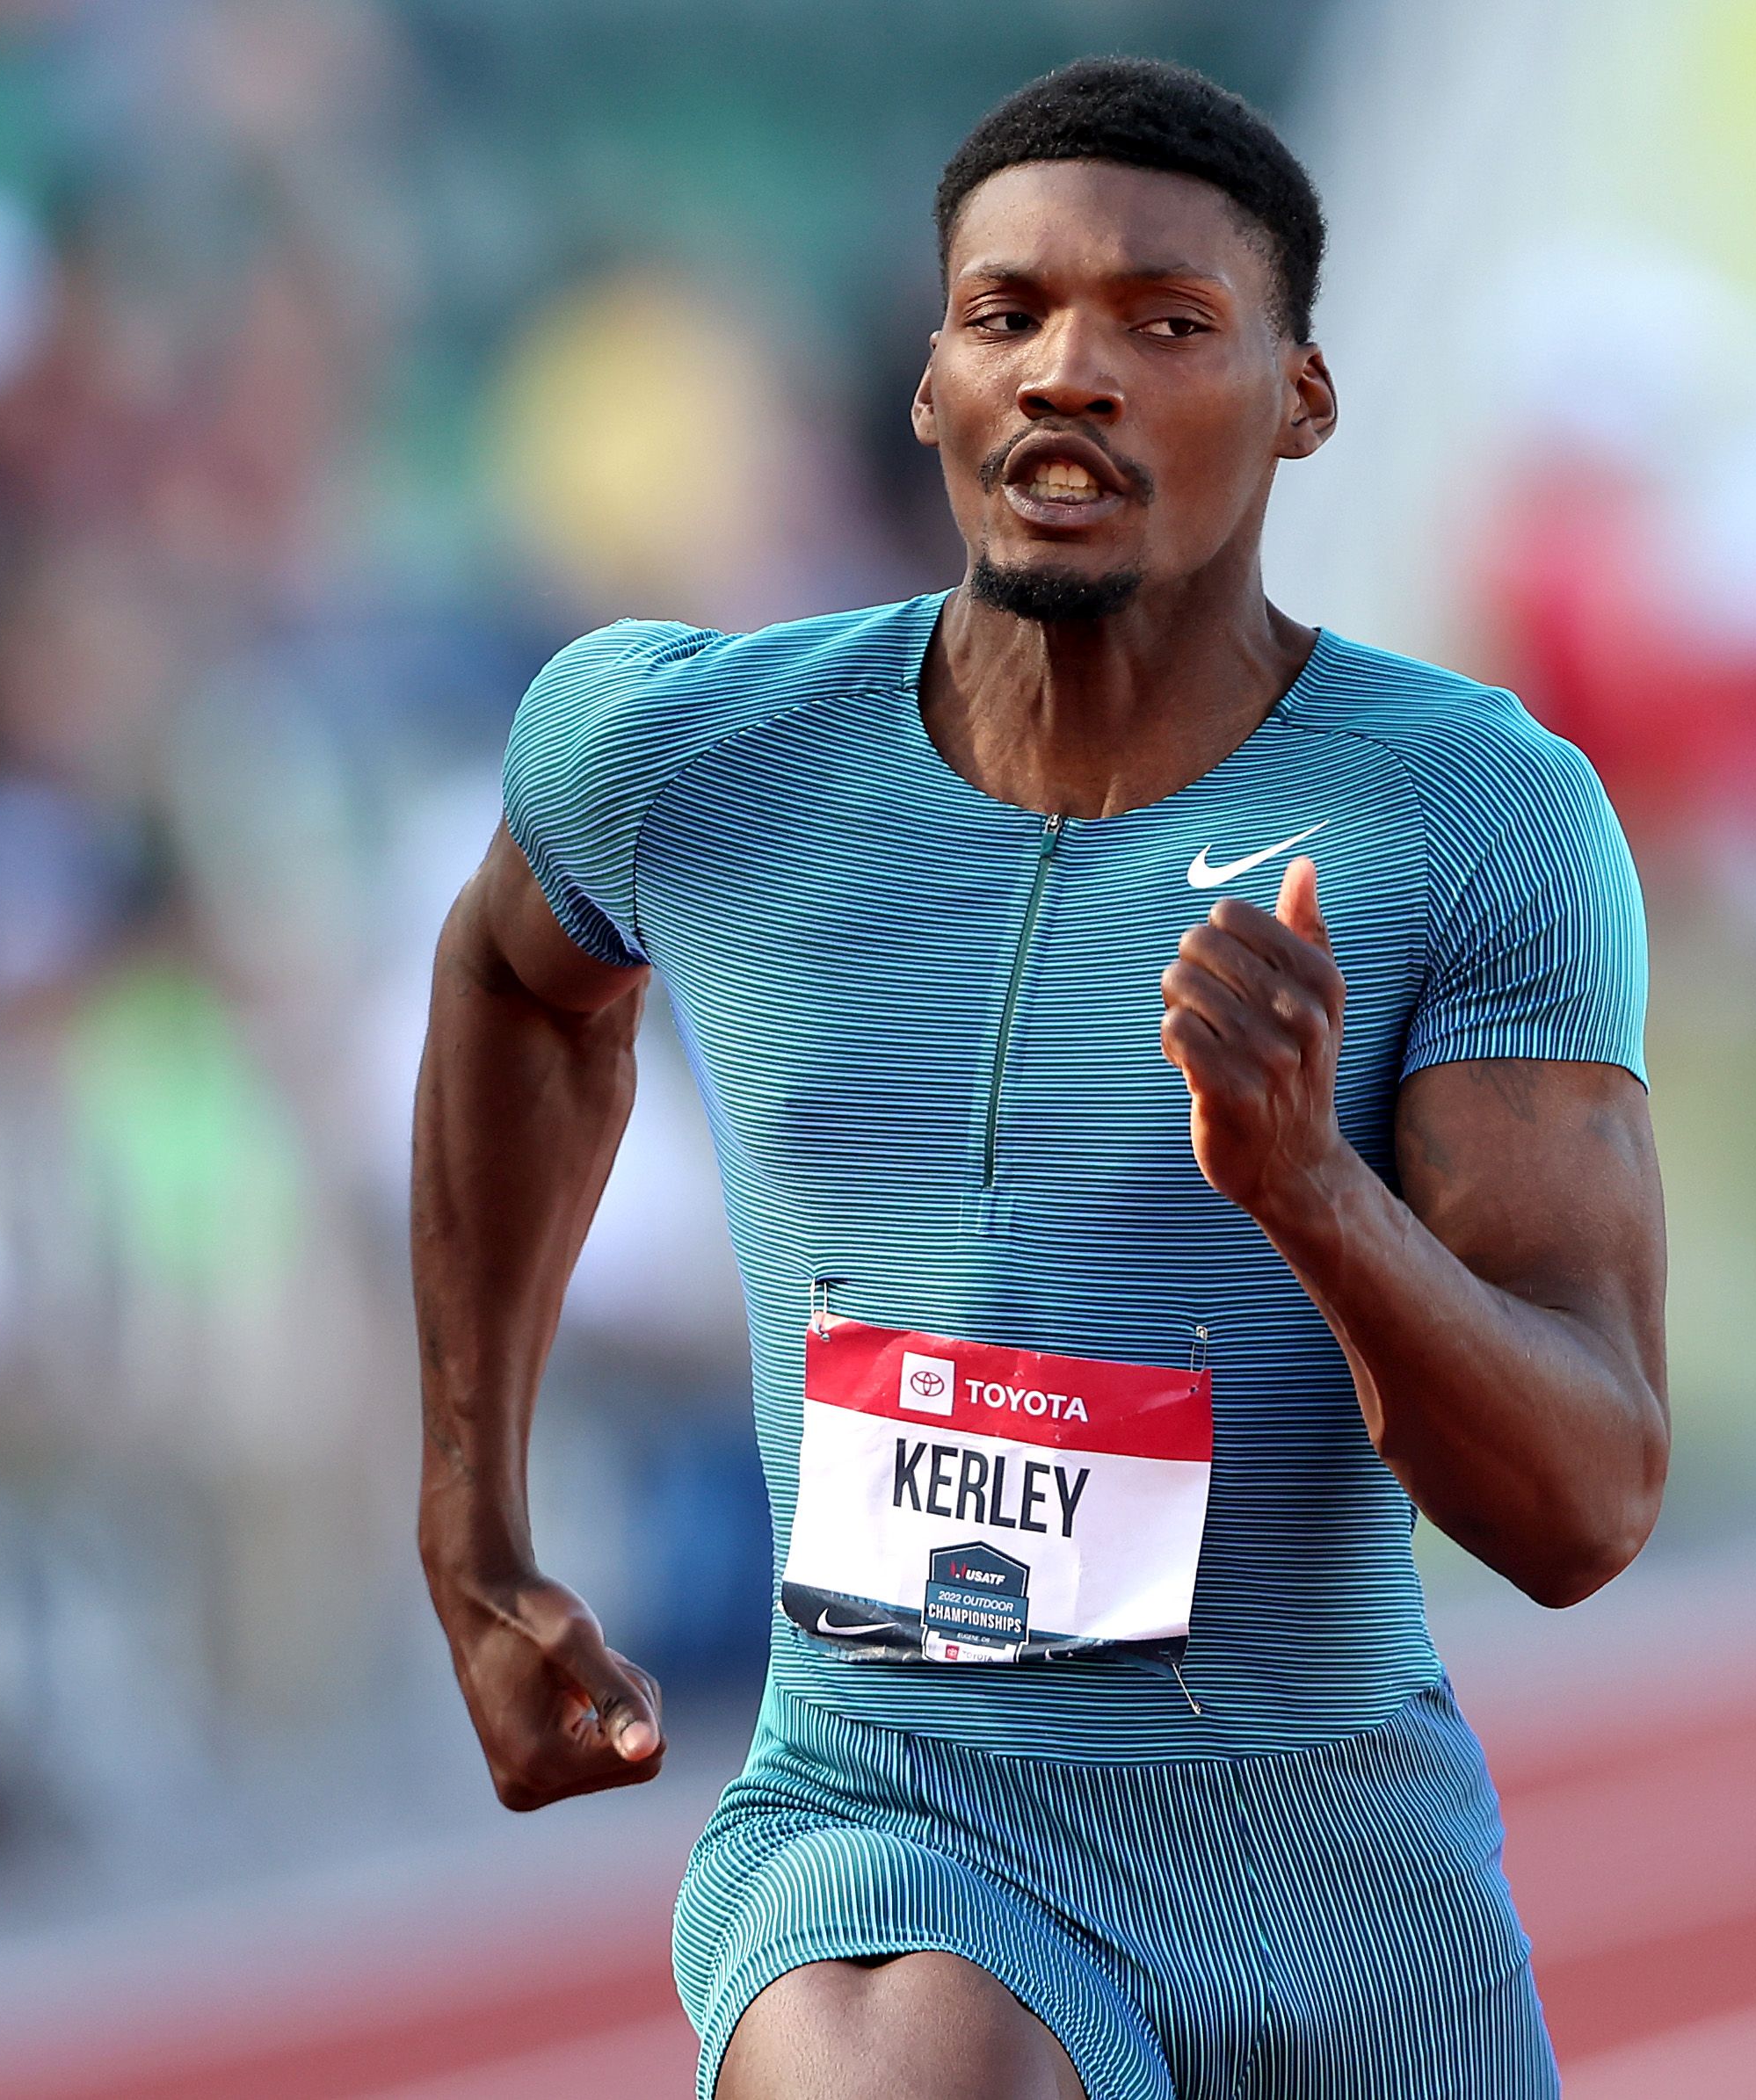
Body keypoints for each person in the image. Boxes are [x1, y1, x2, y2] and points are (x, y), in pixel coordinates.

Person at [413, 56, 1665, 2100]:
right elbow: (513, 978)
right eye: (1008, 316)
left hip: (1341, 1872)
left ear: (1299, 397)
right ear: (927, 386)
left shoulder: (1470, 817)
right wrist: (469, 1526)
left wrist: (1308, 1196)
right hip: (891, 1818)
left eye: (1164, 324)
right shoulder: (681, 752)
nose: (1069, 372)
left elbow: (1581, 1501)